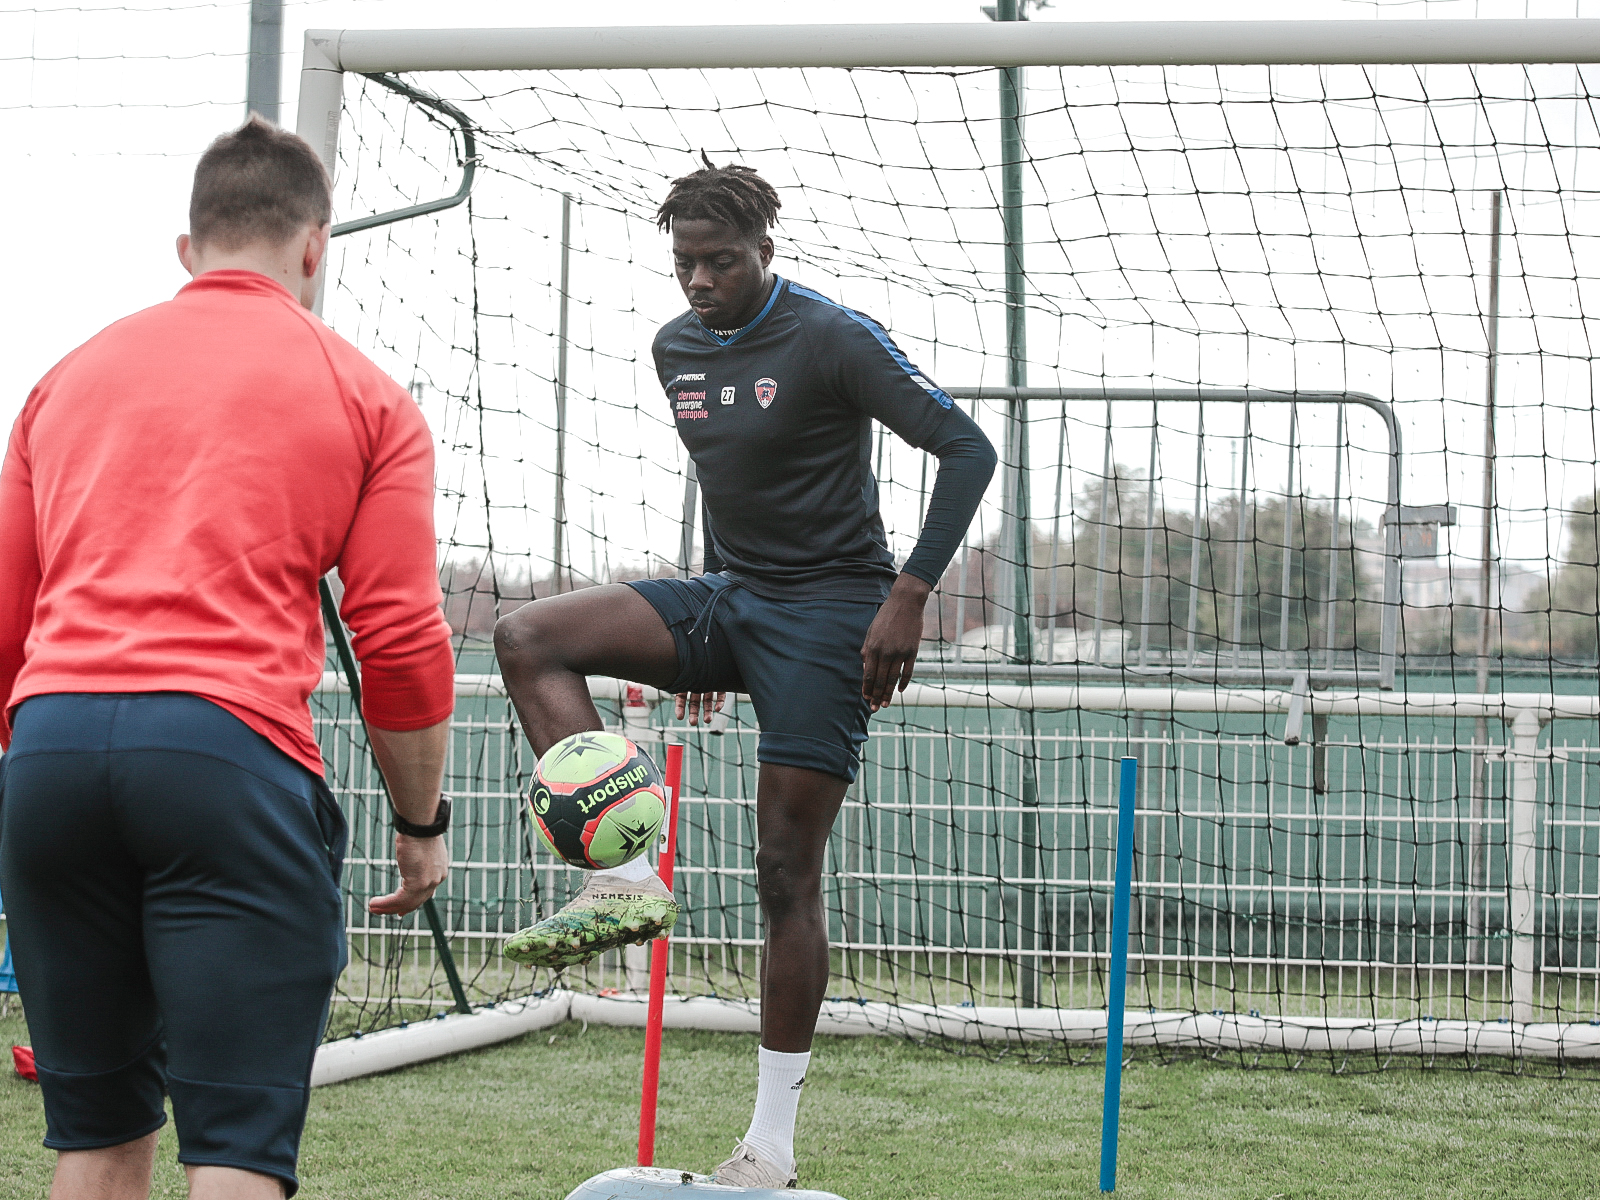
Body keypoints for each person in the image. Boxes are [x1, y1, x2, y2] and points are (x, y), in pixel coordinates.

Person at [495, 155, 996, 1188]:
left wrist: (907, 594)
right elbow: (730, 479)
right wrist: (708, 631)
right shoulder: (673, 346)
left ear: (764, 250)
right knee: (528, 635)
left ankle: (768, 1147)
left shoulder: (831, 336)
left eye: (719, 261)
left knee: (782, 873)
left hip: (833, 611)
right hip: (734, 595)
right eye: (684, 262)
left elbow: (967, 448)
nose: (698, 281)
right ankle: (624, 880)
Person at [0, 116, 456, 1200]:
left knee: (95, 1138)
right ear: (315, 246)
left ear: (187, 248)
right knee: (235, 1150)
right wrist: (420, 824)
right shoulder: (368, 396)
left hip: (51, 757)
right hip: (223, 759)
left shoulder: (63, 381)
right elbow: (399, 641)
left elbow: (7, 618)